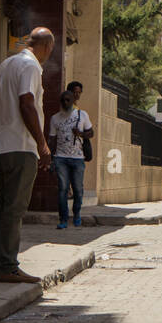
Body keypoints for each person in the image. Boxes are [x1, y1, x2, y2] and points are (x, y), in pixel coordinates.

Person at [0, 28, 54, 283]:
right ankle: (7, 265)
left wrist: (3, 121)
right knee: (14, 209)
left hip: (0, 145)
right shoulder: (31, 66)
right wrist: (42, 144)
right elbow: (27, 102)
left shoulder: (7, 63)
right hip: (21, 147)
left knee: (2, 207)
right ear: (46, 47)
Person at [48, 88, 93, 228]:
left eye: (68, 100)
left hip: (78, 158)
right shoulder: (55, 118)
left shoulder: (82, 115)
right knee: (62, 189)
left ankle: (77, 214)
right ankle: (63, 219)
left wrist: (80, 134)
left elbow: (91, 133)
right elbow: (52, 139)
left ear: (73, 101)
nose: (65, 103)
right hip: (60, 158)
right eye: (63, 100)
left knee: (78, 189)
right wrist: (50, 159)